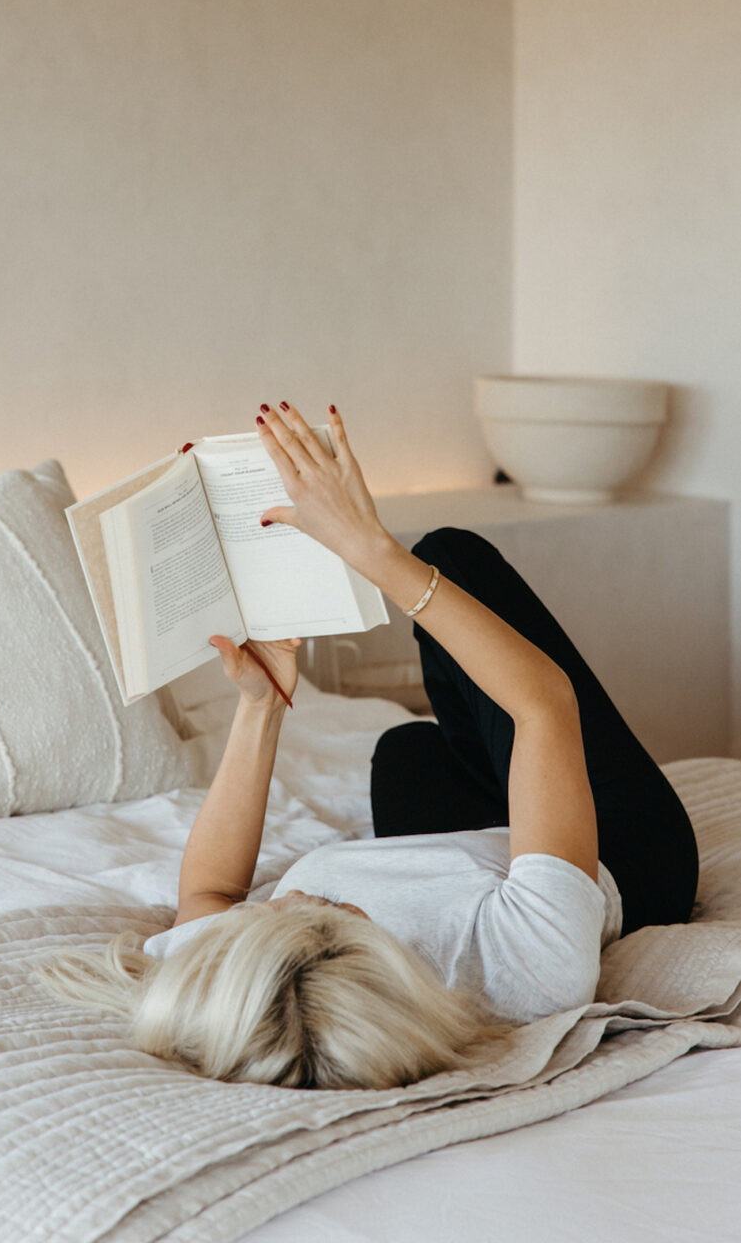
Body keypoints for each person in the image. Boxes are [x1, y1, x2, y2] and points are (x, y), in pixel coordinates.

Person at [39, 401, 699, 1090]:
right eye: (333, 919)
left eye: (288, 908)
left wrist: (261, 705)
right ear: (385, 977)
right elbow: (541, 704)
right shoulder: (527, 967)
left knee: (405, 751)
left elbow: (209, 889)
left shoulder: (247, 982)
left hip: (469, 859)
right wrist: (366, 548)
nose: (317, 897)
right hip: (621, 849)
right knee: (450, 555)